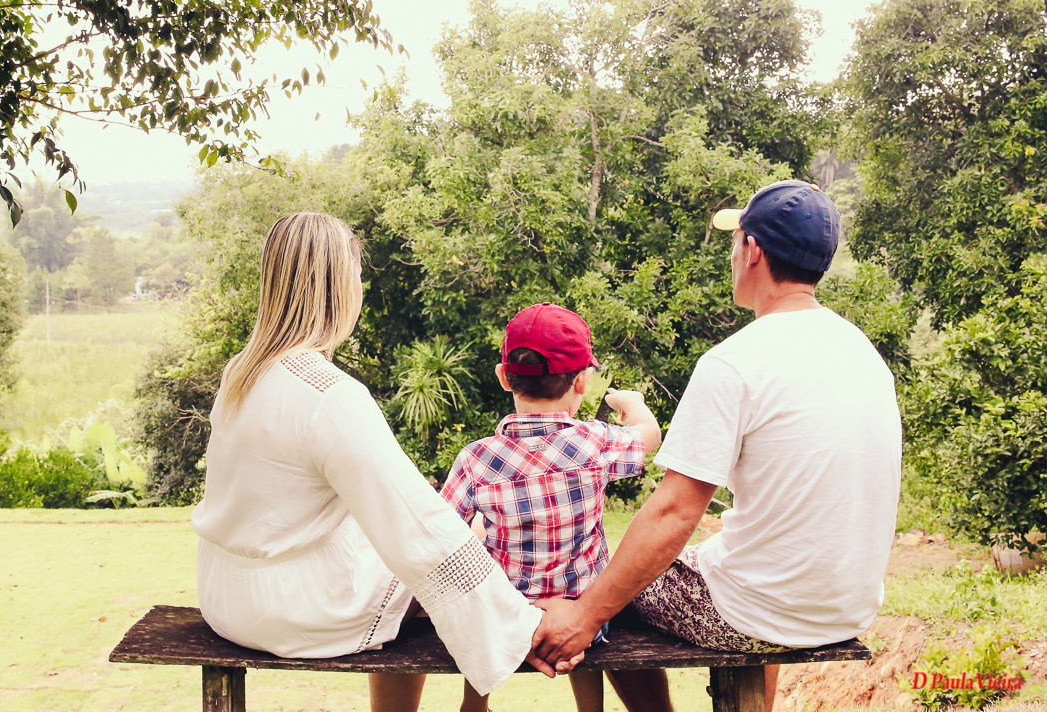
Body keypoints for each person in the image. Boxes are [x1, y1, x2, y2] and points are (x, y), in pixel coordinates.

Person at [529, 180, 903, 712]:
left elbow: (673, 513)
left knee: (597, 576)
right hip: (848, 606)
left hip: (760, 614)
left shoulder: (734, 362)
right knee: (703, 559)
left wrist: (583, 617)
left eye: (736, 240)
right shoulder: (861, 351)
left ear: (752, 251)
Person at [191, 212, 549, 712]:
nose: (361, 287)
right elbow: (417, 525)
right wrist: (522, 622)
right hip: (294, 606)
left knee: (399, 545)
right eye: (357, 275)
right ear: (338, 288)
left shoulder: (242, 371)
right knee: (459, 539)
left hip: (225, 595)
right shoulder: (329, 394)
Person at [441, 302, 661, 712]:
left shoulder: (477, 458)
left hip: (506, 619)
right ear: (582, 382)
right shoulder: (596, 443)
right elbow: (649, 435)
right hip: (584, 620)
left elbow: (441, 534)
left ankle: (476, 704)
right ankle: (589, 707)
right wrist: (632, 403)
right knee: (587, 596)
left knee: (485, 613)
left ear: (504, 376)